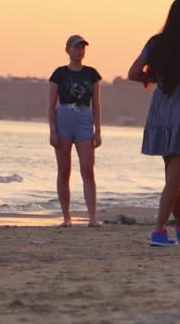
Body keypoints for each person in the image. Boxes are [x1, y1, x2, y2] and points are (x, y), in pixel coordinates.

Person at [127, 0, 180, 246]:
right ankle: (159, 230)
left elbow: (133, 73)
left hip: (161, 107)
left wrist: (157, 76)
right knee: (174, 177)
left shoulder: (156, 43)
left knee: (171, 174)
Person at [48, 35, 102, 228]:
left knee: (87, 169)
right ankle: (66, 217)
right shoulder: (59, 73)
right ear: (68, 50)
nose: (80, 51)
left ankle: (92, 217)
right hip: (63, 119)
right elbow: (51, 104)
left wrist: (98, 131)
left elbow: (96, 105)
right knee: (64, 170)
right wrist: (52, 130)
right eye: (76, 47)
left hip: (84, 121)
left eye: (82, 48)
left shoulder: (92, 74)